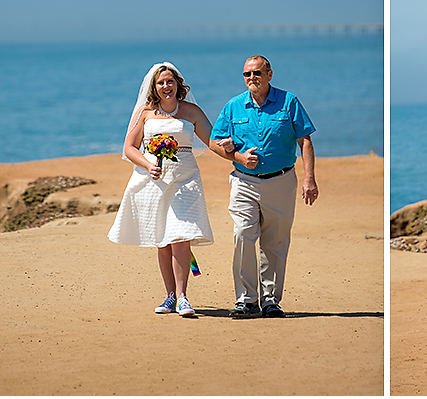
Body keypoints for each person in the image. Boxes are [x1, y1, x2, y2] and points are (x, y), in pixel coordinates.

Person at [208, 55, 318, 318]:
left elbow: (305, 141)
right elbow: (214, 141)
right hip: (243, 182)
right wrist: (238, 157)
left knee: (275, 242)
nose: (251, 78)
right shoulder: (234, 106)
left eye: (257, 73)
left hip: (281, 181)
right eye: (247, 74)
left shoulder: (289, 102)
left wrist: (309, 178)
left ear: (269, 74)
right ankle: (246, 300)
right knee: (242, 235)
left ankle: (270, 301)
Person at [108, 62, 216, 318]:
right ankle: (169, 296)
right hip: (154, 181)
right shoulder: (145, 113)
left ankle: (182, 297)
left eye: (170, 81)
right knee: (163, 241)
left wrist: (236, 152)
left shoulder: (192, 111)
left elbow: (212, 140)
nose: (166, 86)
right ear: (154, 87)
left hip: (186, 179)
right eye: (161, 83)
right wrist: (148, 164)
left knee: (181, 236)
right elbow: (130, 147)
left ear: (178, 84)